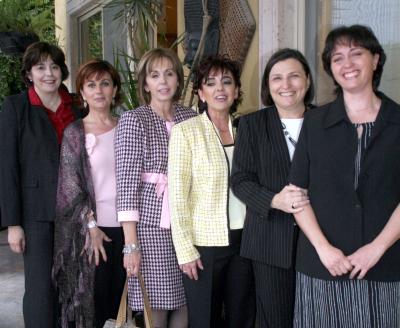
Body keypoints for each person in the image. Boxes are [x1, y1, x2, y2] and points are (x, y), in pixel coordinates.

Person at [289, 25, 400, 327]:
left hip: (386, 266)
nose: (346, 64)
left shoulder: (398, 121)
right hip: (323, 266)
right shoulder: (313, 122)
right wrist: (324, 250)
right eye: (337, 58)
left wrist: (376, 249)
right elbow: (297, 194)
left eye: (356, 54)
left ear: (375, 59)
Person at [0, 41, 83, 328]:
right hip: (36, 214)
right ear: (29, 73)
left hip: (76, 213)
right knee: (39, 291)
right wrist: (13, 223)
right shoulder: (16, 107)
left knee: (72, 286)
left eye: (54, 66)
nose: (49, 73)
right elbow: (7, 167)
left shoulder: (77, 106)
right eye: (40, 67)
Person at [168, 55, 256, 328]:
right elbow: (177, 196)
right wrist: (185, 250)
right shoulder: (186, 132)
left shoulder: (248, 131)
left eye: (227, 82)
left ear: (237, 91)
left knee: (242, 315)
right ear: (200, 93)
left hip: (247, 241)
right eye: (211, 83)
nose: (220, 89)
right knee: (204, 318)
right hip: (205, 245)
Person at [230, 48, 313, 327]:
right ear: (267, 85)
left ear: (308, 81)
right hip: (269, 241)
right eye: (277, 78)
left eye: (294, 76)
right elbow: (240, 179)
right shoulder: (252, 124)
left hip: (321, 242)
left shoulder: (326, 122)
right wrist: (274, 200)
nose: (285, 85)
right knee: (275, 320)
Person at [115, 48, 197, 328]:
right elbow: (126, 185)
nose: (163, 81)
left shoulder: (191, 117)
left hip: (187, 227)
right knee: (157, 309)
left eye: (169, 73)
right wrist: (130, 246)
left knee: (186, 302)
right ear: (145, 82)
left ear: (178, 80)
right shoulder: (134, 119)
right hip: (151, 230)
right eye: (155, 75)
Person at [53, 59, 125, 328]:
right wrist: (91, 225)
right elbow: (70, 186)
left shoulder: (128, 126)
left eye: (105, 83)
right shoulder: (75, 132)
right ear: (82, 92)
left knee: (128, 304)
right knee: (98, 305)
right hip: (95, 232)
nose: (99, 91)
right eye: (91, 85)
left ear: (115, 89)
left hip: (131, 228)